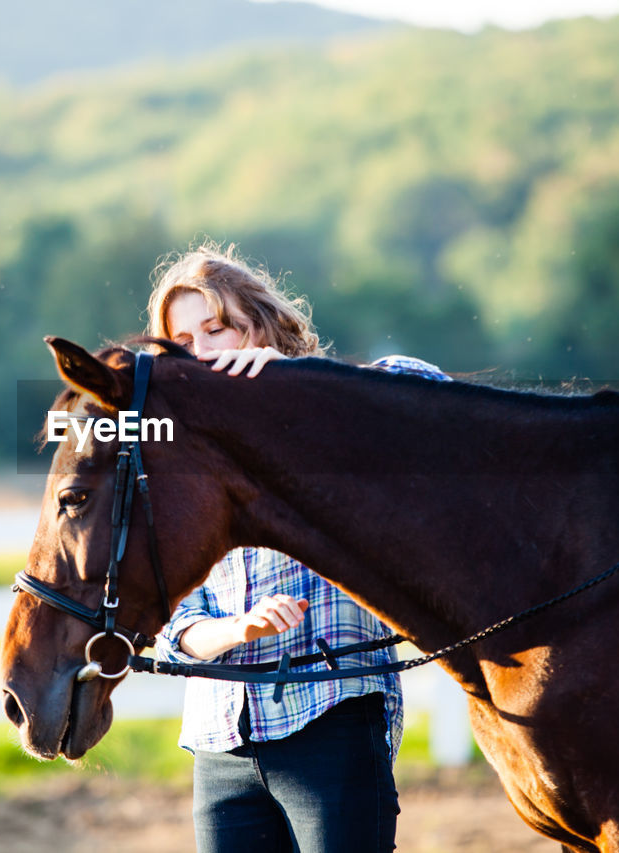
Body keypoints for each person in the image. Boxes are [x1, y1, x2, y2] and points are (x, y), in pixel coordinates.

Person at [146, 243, 449, 853]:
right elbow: (175, 619)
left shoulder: (333, 414)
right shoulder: (184, 463)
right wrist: (237, 630)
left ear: (258, 326)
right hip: (221, 740)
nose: (198, 352)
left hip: (331, 719)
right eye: (181, 341)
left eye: (216, 329)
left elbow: (430, 393)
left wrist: (293, 384)